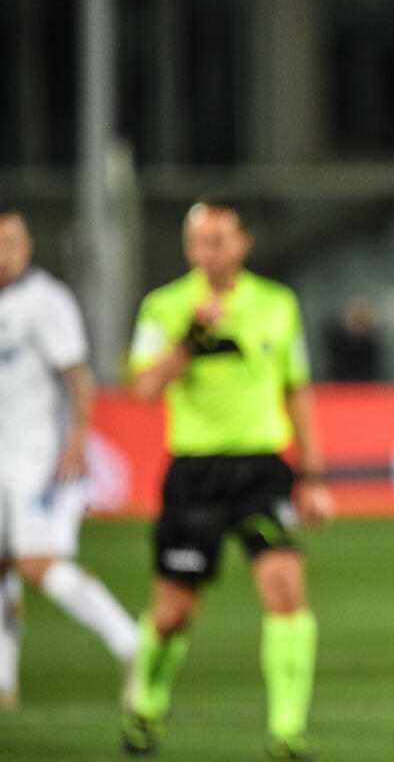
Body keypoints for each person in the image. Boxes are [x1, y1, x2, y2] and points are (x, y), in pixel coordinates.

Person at [121, 203, 333, 759]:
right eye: (198, 243)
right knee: (173, 612)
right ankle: (146, 702)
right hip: (195, 473)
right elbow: (143, 388)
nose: (207, 253)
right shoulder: (165, 307)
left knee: (285, 588)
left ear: (243, 243)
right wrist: (190, 339)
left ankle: (287, 730)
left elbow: (297, 389)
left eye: (218, 241)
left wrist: (310, 475)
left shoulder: (277, 304)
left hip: (262, 470)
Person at [0, 212, 139, 711]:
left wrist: (76, 442)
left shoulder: (46, 300)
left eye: (11, 241)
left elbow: (78, 378)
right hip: (2, 459)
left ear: (28, 245)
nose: (3, 252)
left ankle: (134, 646)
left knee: (38, 565)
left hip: (41, 460)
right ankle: (3, 682)